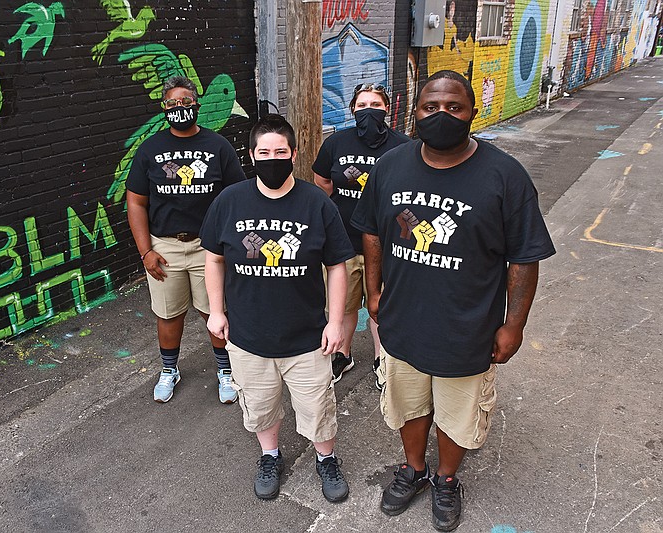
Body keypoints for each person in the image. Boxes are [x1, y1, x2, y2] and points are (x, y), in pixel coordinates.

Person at [351, 70, 555, 531]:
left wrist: (514, 323)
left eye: (453, 107)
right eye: (431, 107)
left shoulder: (505, 176)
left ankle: (445, 478)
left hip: (468, 326)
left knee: (458, 415)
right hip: (403, 320)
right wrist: (373, 291)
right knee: (407, 404)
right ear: (415, 112)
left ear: (472, 112)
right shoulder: (391, 166)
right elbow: (372, 232)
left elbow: (525, 257)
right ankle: (413, 469)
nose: (441, 115)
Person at [200, 114, 355, 503]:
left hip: (306, 337)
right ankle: (270, 456)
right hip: (249, 335)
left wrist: (336, 322)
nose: (273, 158)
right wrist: (216, 311)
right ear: (252, 155)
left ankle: (326, 459)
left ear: (294, 154)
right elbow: (214, 259)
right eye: (264, 151)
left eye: (280, 152)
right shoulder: (229, 201)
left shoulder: (316, 202)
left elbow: (337, 265)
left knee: (318, 407)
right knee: (261, 407)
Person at [126, 75, 246, 404]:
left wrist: (230, 244)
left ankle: (225, 371)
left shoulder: (218, 146)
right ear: (164, 108)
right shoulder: (150, 149)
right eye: (172, 103)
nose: (180, 107)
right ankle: (169, 370)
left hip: (208, 248)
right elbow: (135, 201)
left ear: (197, 104)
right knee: (168, 314)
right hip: (164, 247)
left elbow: (237, 197)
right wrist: (145, 252)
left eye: (186, 101)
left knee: (215, 312)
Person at [313, 83, 410, 388]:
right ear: (352, 109)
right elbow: (323, 181)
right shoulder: (336, 143)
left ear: (387, 109)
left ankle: (383, 357)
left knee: (383, 305)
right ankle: (343, 354)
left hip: (387, 245)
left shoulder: (403, 147)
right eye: (362, 104)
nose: (369, 110)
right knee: (343, 307)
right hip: (344, 243)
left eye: (376, 104)